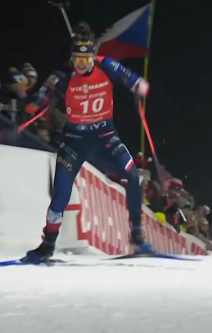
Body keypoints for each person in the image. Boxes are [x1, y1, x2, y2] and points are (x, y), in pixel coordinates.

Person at [22, 22, 151, 263]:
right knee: (60, 194)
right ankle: (47, 244)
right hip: (74, 143)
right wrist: (33, 105)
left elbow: (131, 79)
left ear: (93, 55)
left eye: (86, 57)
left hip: (105, 139)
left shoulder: (107, 65)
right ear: (72, 56)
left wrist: (139, 86)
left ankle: (137, 237)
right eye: (77, 57)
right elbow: (43, 93)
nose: (81, 62)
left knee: (132, 177)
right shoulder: (62, 75)